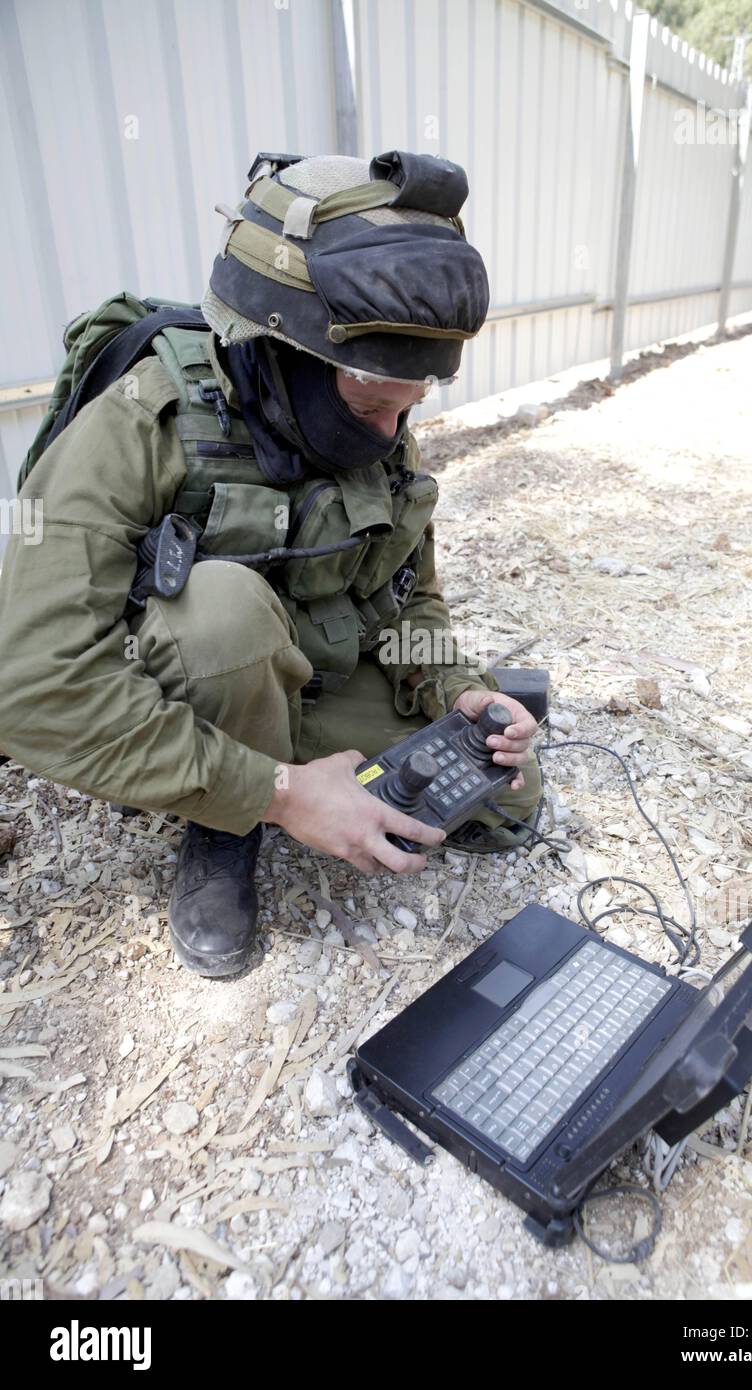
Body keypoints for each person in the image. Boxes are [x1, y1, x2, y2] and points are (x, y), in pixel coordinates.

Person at [0, 150, 542, 978]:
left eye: (414, 399)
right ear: (278, 346)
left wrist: (452, 688)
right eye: (369, 399)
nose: (392, 429)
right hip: (203, 681)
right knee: (221, 615)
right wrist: (277, 795)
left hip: (311, 673)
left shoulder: (379, 423)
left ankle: (299, 773)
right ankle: (224, 829)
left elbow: (406, 605)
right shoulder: (146, 419)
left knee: (506, 801)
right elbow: (29, 686)